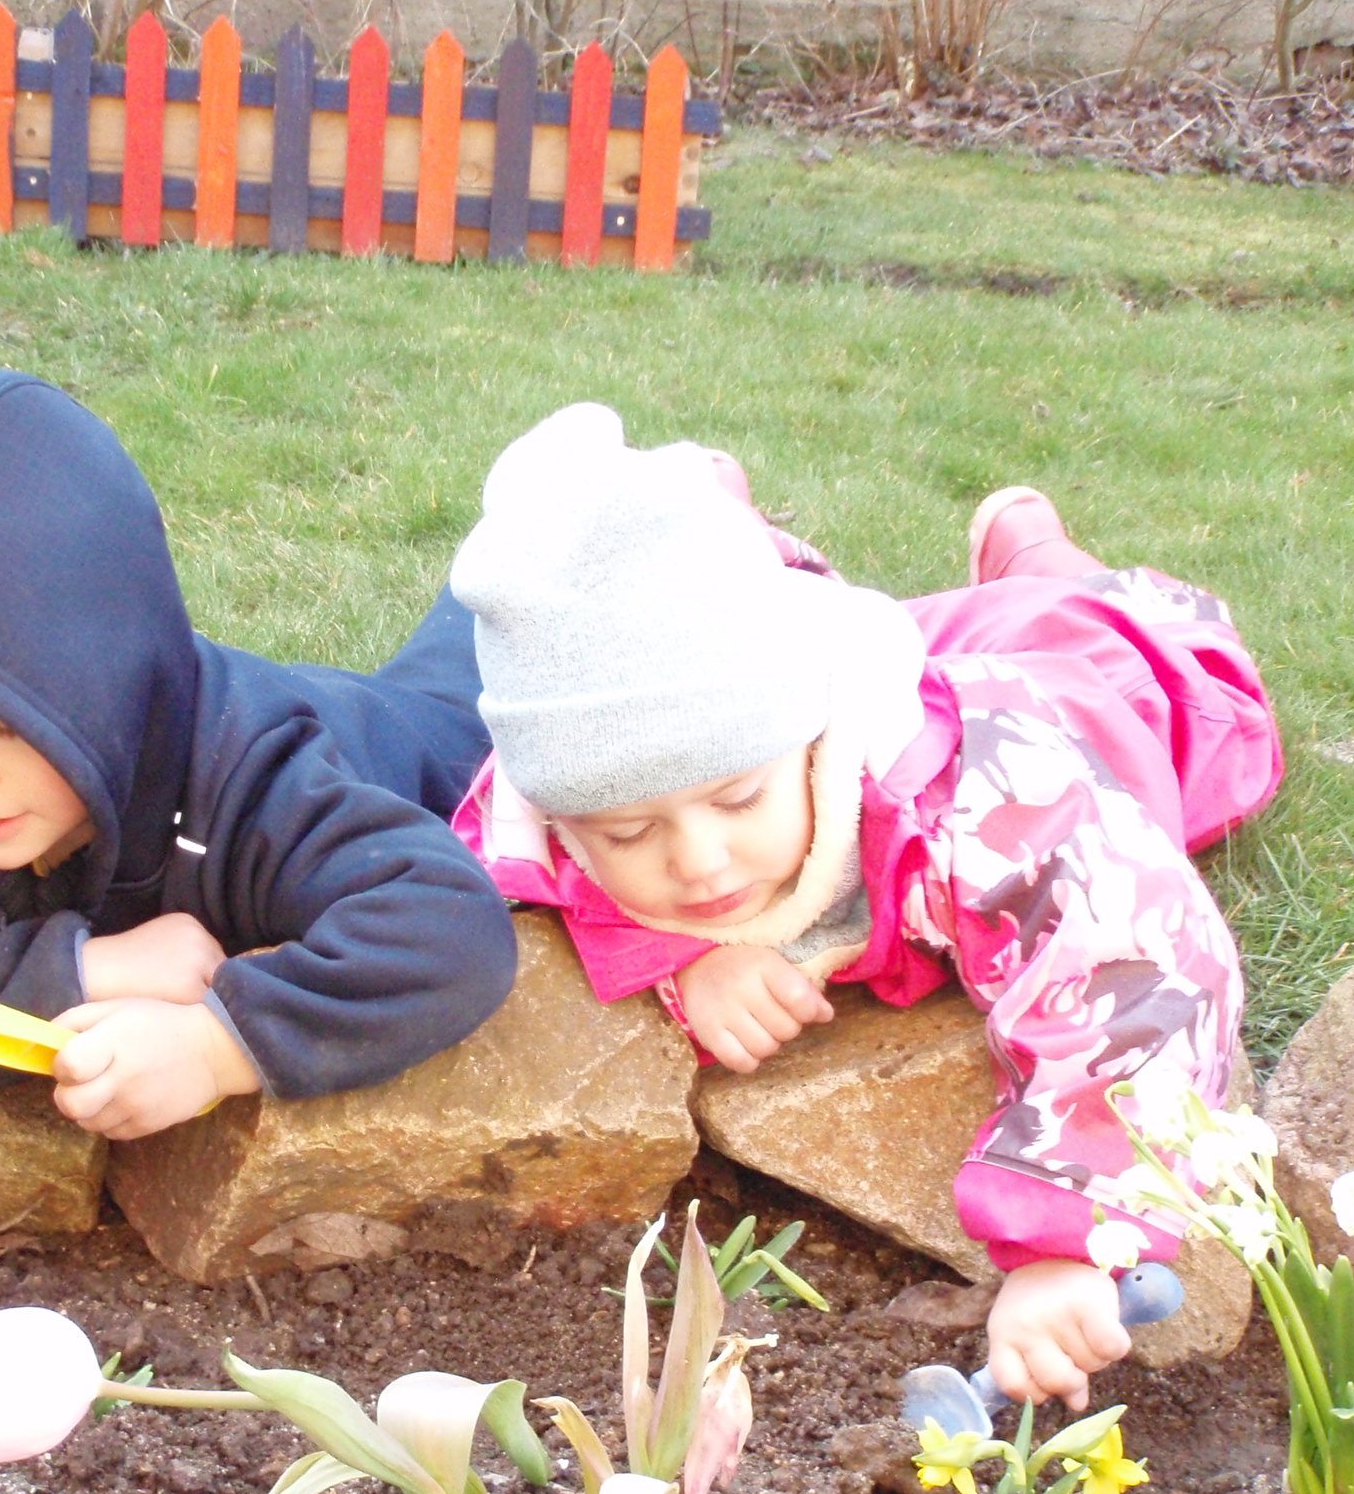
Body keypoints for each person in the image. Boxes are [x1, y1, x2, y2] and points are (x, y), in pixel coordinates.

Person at [449, 404, 1283, 1411]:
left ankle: (1036, 549)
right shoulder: (574, 767)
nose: (699, 862)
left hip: (1093, 683)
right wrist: (674, 957)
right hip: (897, 641)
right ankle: (718, 526)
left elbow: (1143, 968)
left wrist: (1071, 1242)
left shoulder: (994, 802)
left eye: (738, 799)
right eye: (628, 836)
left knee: (1175, 668)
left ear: (812, 742)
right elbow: (509, 848)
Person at [0, 365, 518, 1140]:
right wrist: (79, 971)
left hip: (412, 735)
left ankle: (531, 520)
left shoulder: (260, 777)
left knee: (484, 664)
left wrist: (219, 1045)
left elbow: (448, 930)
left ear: (108, 677)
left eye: (7, 723)